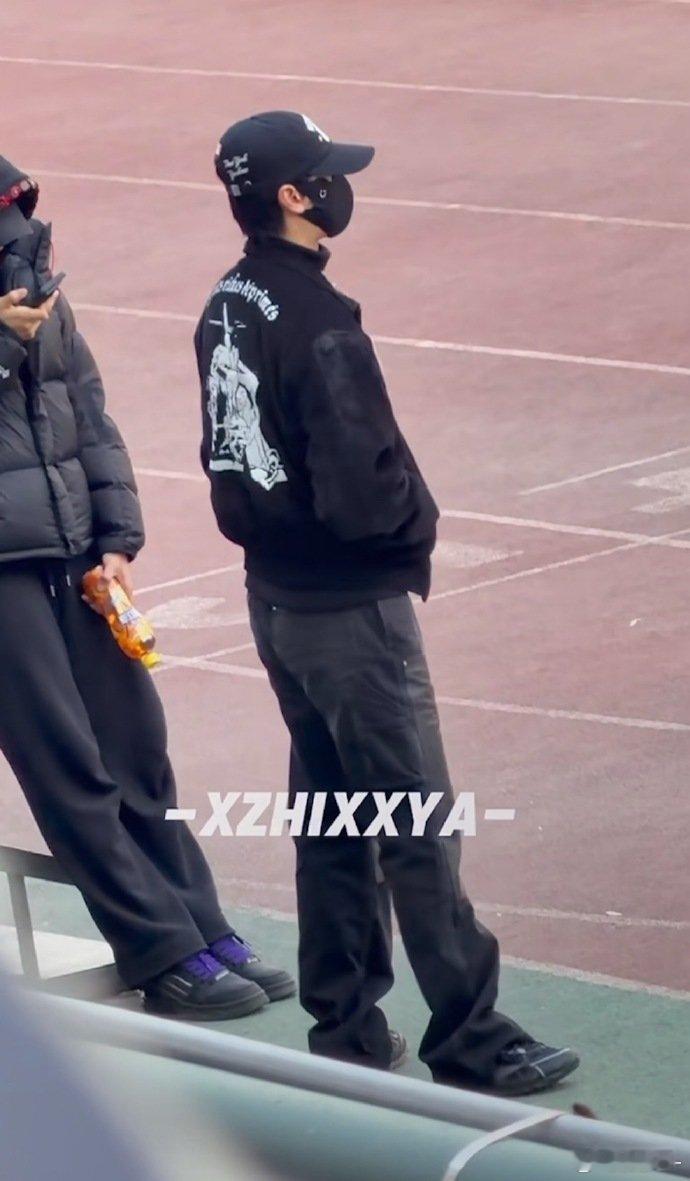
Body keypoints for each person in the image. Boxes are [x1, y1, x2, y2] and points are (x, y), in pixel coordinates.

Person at [195, 111, 580, 1093]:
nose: (339, 186)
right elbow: (363, 493)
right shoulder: (320, 320)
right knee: (415, 824)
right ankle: (473, 1038)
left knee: (332, 820)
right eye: (325, 174)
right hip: (351, 614)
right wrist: (416, 526)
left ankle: (347, 1030)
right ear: (294, 195)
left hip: (275, 602)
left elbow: (229, 454)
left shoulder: (227, 301)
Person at [0, 155, 294, 1020]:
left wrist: (116, 539)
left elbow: (89, 414)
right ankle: (160, 950)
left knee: (136, 750)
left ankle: (201, 924)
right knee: (69, 769)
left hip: (73, 549)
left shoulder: (37, 285)